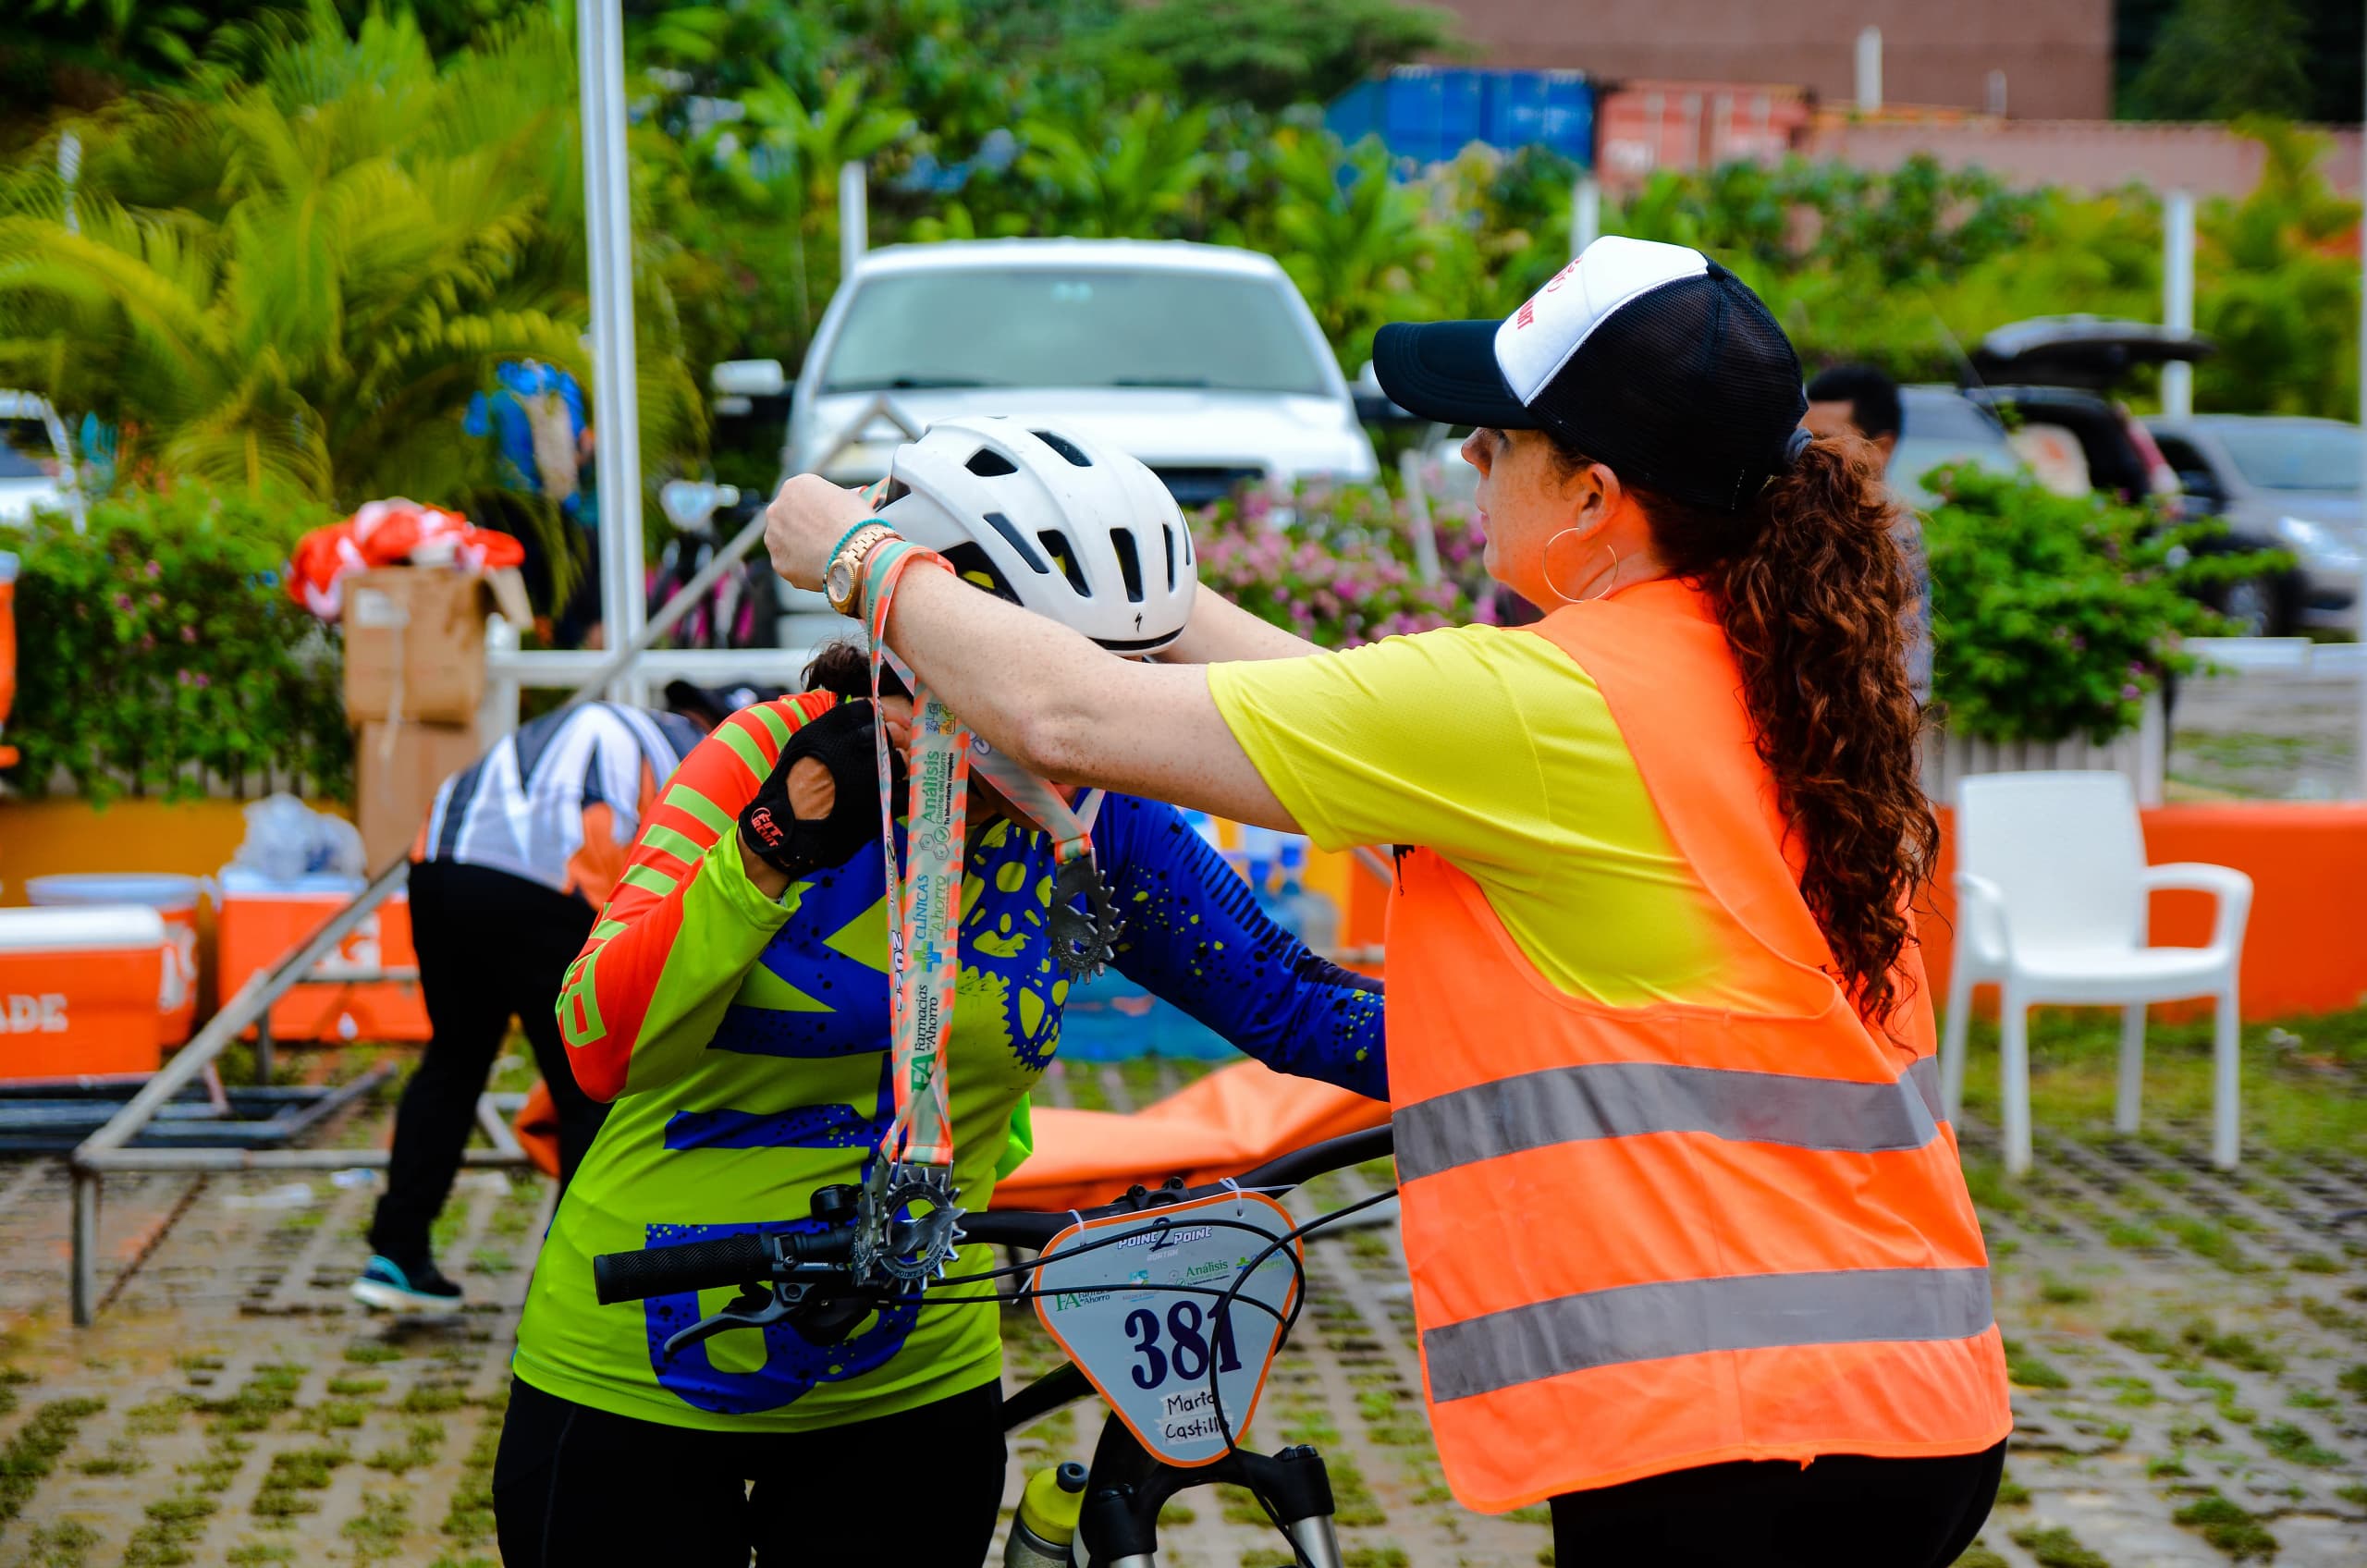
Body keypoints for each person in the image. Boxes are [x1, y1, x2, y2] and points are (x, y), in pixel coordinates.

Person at [762, 238, 2012, 1567]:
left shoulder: (1544, 707)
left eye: (1493, 438)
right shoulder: (1748, 665)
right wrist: (1107, 570)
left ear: (1592, 495)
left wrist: (856, 553)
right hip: (1910, 1394)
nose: (1466, 462)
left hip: (1735, 1431)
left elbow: (1068, 716)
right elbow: (1341, 701)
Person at [491, 422, 1386, 1566]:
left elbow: (1298, 1007)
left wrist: (1559, 1060)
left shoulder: (1102, 826)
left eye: (1117, 685)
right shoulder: (775, 757)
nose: (1079, 735)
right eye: (1045, 684)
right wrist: (768, 848)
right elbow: (595, 1047)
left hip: (915, 1376)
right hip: (638, 1352)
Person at [350, 686, 751, 1314]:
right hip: (549, 880)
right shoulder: (704, 755)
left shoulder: (594, 723)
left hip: (440, 867)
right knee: (587, 1086)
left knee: (454, 1058)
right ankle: (568, 1284)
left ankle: (397, 1252)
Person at [1806, 361, 1932, 701]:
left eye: (1826, 441)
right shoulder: (1798, 518)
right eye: (1805, 438)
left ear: (1881, 448)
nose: (1809, 454)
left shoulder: (1895, 534)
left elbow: (1911, 674)